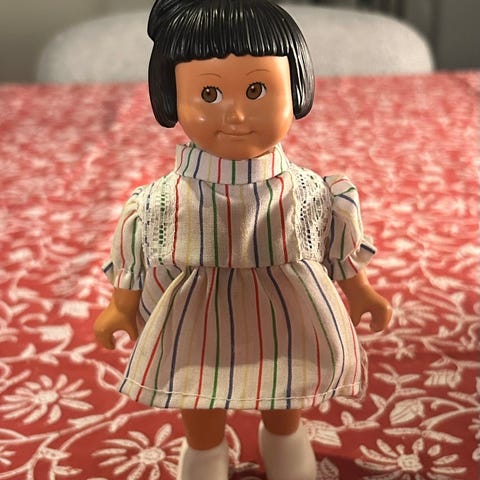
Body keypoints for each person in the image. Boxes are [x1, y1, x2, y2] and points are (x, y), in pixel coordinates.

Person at [94, 1, 392, 479]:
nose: (235, 113)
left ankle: (284, 442)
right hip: (194, 325)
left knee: (285, 393)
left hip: (288, 321)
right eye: (208, 93)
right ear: (172, 98)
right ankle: (205, 455)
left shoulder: (313, 193)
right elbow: (135, 256)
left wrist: (361, 291)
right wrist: (121, 307)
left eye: (257, 90)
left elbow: (337, 247)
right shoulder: (159, 202)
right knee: (200, 401)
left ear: (295, 88)